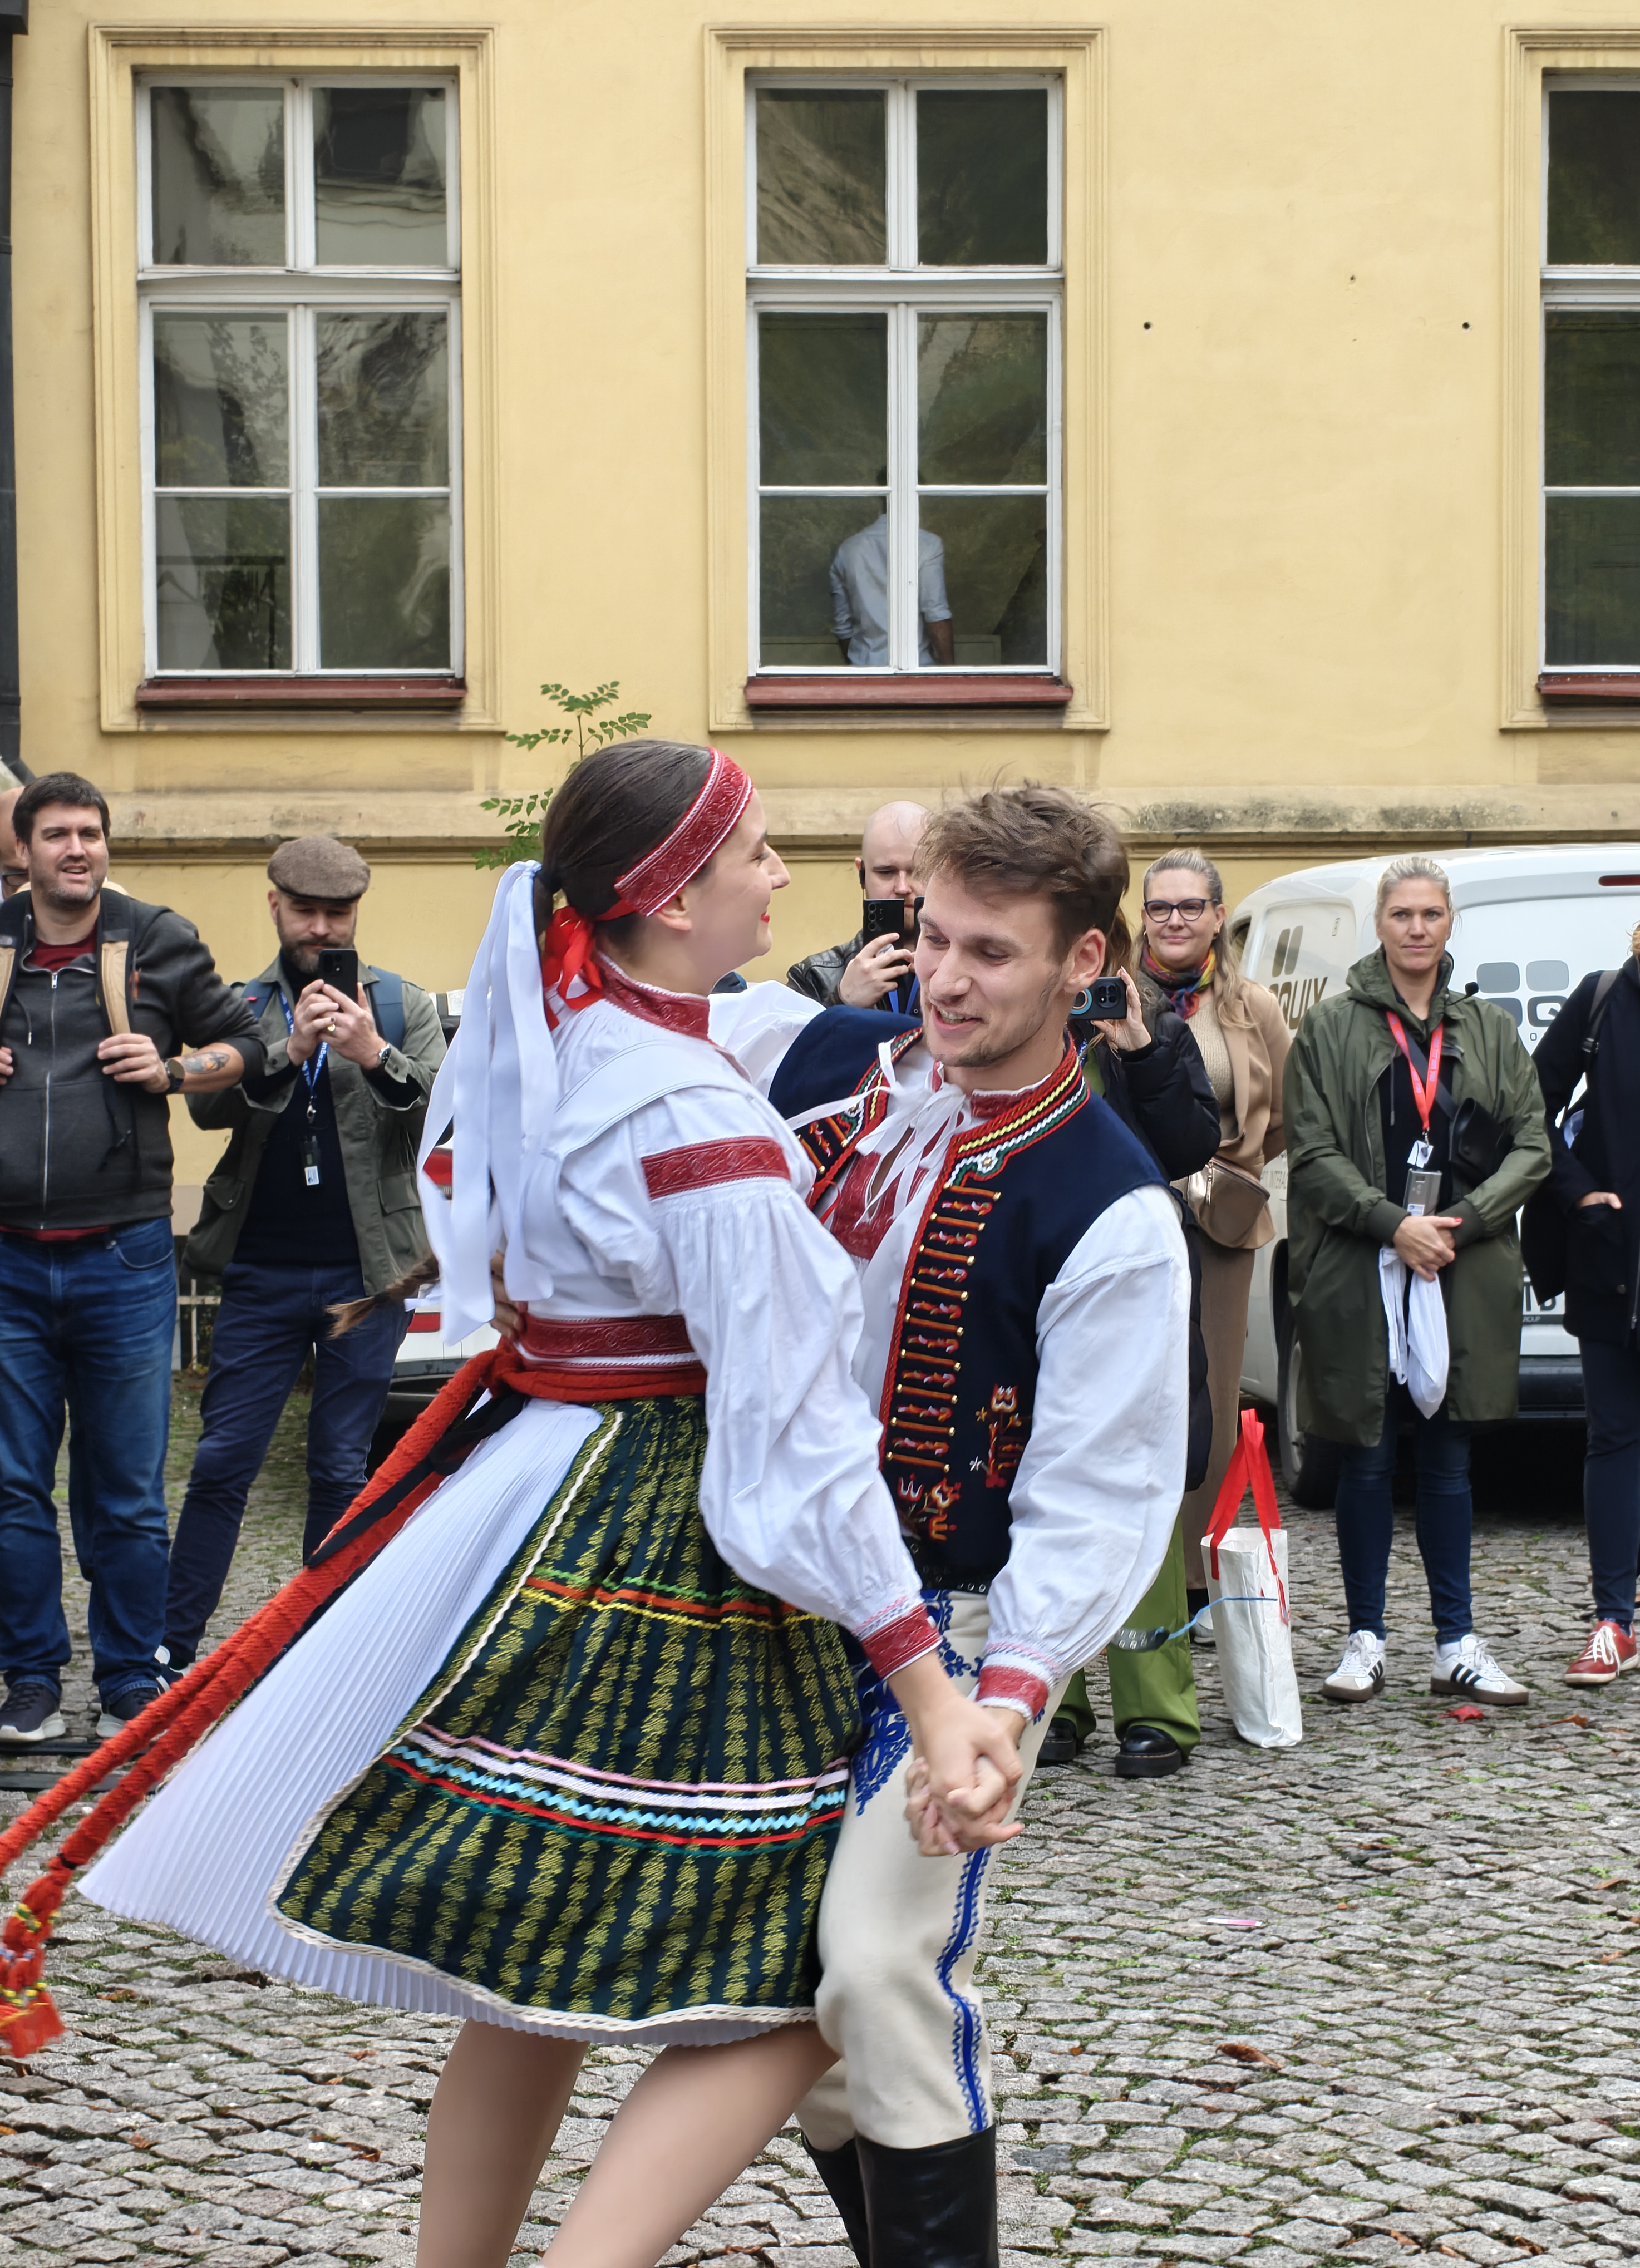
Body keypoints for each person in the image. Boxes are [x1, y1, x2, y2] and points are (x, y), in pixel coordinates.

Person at [56, 740, 1018, 2265]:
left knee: (534, 1973)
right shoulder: (688, 1113)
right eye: (754, 855)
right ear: (667, 895)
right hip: (671, 1537)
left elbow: (738, 1085)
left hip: (550, 1487)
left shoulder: (565, 1035)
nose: (781, 875)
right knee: (796, 1982)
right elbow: (795, 1444)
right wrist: (929, 1681)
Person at [760, 783, 1191, 2267]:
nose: (945, 978)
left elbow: (1101, 1493)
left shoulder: (1111, 1208)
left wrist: (1003, 1709)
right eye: (931, 936)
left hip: (939, 1642)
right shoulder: (839, 1073)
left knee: (879, 1965)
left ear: (1085, 964)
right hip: (768, 1615)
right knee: (788, 2001)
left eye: (992, 954)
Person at [0, 773, 264, 1748]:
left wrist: (172, 1069)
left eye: (92, 834)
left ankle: (126, 1676)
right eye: (58, 834)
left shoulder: (155, 937)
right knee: (11, 1485)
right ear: (22, 850)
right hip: (6, 1262)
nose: (78, 849)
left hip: (124, 1254)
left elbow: (247, 1043)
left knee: (125, 1486)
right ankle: (29, 1681)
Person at [160, 835, 446, 1672]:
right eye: (307, 909)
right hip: (261, 1269)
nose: (322, 926)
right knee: (221, 1463)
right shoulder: (239, 1007)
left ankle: (330, 1651)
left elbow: (441, 1113)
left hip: (371, 1273)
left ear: (358, 912)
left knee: (340, 1466)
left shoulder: (400, 1003)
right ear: (276, 904)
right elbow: (209, 1117)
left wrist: (370, 1052)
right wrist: (284, 1055)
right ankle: (172, 1649)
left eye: (340, 912)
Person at [1284, 854, 1550, 1707]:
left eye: (1432, 915)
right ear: (1381, 924)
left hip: (1458, 1265)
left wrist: (1459, 1227)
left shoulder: (1489, 1030)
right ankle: (1366, 1637)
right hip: (1365, 1263)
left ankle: (1456, 1641)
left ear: (1448, 925)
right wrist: (1389, 1222)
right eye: (1402, 914)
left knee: (1448, 1460)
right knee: (1365, 1455)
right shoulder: (1331, 1028)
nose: (1417, 929)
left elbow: (1532, 1146)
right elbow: (1313, 1154)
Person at [1045, 849, 1288, 1780]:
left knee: (1140, 1477)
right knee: (1043, 1482)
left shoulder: (1152, 1021)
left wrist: (1140, 1047)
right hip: (1043, 1268)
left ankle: (1155, 1707)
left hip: (1145, 1267)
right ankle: (1052, 1698)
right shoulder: (1011, 1006)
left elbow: (1190, 1136)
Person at [1533, 836, 1640, 1685]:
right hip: (1609, 1255)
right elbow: (1529, 1108)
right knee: (1614, 1438)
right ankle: (1612, 1620)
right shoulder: (1605, 998)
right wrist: (1576, 1190)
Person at [789, 800, 930, 1013]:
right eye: (886, 872)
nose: (902, 887)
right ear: (862, 875)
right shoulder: (813, 976)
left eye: (917, 872)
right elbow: (794, 1045)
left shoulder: (968, 969)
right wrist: (841, 1001)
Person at [831, 512, 954, 668]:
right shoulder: (927, 543)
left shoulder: (848, 549)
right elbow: (936, 613)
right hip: (916, 668)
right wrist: (950, 672)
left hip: (863, 668)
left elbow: (844, 626)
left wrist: (858, 664)